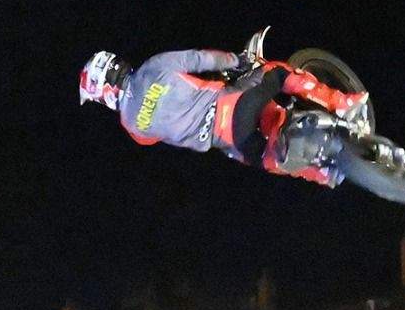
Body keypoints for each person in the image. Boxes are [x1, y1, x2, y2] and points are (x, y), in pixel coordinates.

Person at [79, 32, 370, 191]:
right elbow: (201, 59)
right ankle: (341, 103)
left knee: (271, 160)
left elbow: (161, 129)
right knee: (277, 73)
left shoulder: (132, 127)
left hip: (229, 142)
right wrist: (238, 61)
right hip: (231, 105)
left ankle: (324, 174)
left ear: (104, 91)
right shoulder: (153, 67)